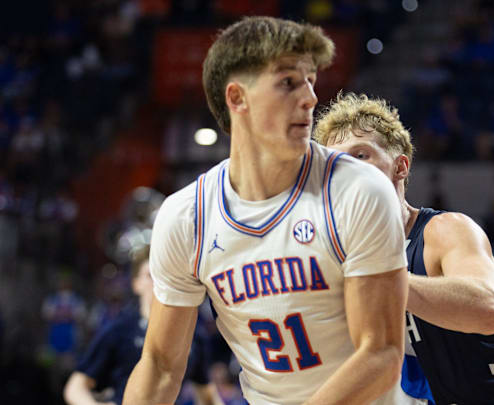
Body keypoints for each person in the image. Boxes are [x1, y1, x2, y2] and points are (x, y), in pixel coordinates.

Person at [123, 17, 415, 405]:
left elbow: (380, 354)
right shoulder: (186, 217)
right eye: (288, 82)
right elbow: (161, 364)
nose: (310, 96)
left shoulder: (358, 189)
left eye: (311, 80)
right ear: (237, 98)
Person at [315, 92, 494, 405]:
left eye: (361, 155)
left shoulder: (445, 231)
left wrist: (379, 280)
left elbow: (488, 307)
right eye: (336, 163)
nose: (347, 169)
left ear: (400, 167)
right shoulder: (346, 257)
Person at [63, 247, 223, 405]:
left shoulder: (192, 334)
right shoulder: (119, 330)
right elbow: (75, 387)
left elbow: (208, 396)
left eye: (162, 274)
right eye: (150, 276)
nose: (157, 282)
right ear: (136, 284)